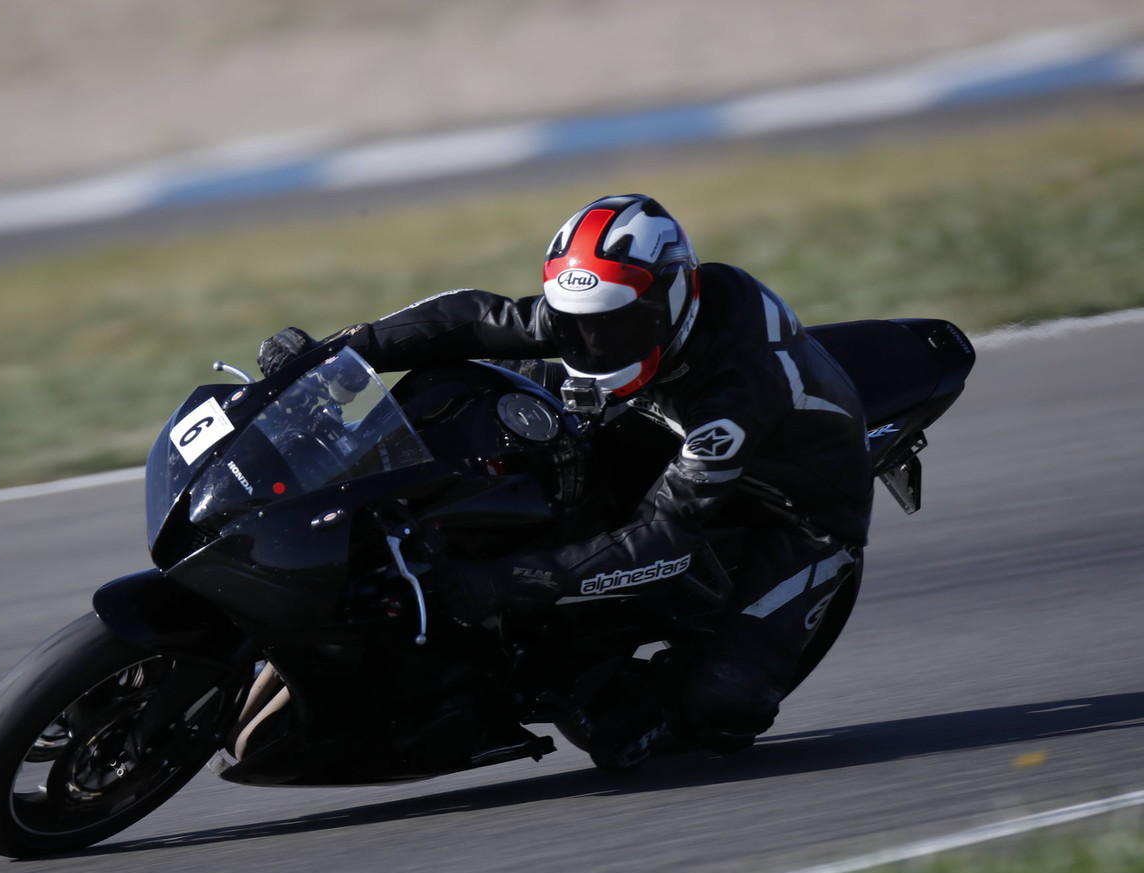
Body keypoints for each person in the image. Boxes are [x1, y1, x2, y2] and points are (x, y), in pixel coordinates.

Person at [257, 194, 873, 768]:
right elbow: (476, 317)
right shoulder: (612, 313)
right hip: (654, 423)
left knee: (720, 707)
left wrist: (498, 584)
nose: (592, 342)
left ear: (671, 300)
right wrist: (336, 353)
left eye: (615, 326)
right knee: (479, 415)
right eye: (575, 324)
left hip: (794, 513)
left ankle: (613, 682)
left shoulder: (734, 396)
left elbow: (663, 536)